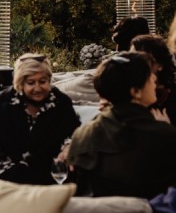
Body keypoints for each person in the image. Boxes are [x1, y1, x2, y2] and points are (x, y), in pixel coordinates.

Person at [68, 52, 176, 198]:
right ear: (136, 92)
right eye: (149, 76)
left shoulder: (82, 134)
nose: (154, 78)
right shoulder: (164, 136)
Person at [0, 53, 81, 185]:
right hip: (8, 165)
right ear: (21, 83)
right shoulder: (4, 100)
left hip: (48, 164)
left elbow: (75, 130)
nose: (37, 88)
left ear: (49, 81)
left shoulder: (60, 101)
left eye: (42, 81)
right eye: (31, 83)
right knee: (20, 180)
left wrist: (69, 147)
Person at [130, 34, 176, 123]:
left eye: (143, 59)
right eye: (132, 57)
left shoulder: (171, 96)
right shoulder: (127, 92)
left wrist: (166, 129)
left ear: (160, 65)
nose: (135, 64)